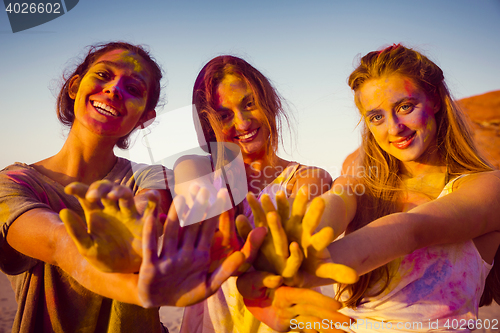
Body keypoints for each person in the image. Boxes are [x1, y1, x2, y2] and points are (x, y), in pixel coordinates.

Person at [239, 44, 500, 332]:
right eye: (376, 117)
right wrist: (295, 243)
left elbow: (411, 230)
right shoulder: (364, 181)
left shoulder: (487, 186)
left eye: (405, 107)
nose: (394, 128)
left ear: (435, 100)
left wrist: (308, 269)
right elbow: (339, 198)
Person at [0, 42, 258, 333]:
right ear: (74, 86)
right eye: (102, 75)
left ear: (145, 118)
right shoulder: (13, 183)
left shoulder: (150, 177)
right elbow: (57, 243)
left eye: (133, 89)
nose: (114, 89)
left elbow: (149, 208)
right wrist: (137, 290)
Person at [174, 55, 336, 333]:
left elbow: (291, 247)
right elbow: (205, 232)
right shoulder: (196, 170)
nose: (243, 122)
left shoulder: (309, 177)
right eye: (224, 115)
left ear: (269, 103)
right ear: (208, 124)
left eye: (250, 104)